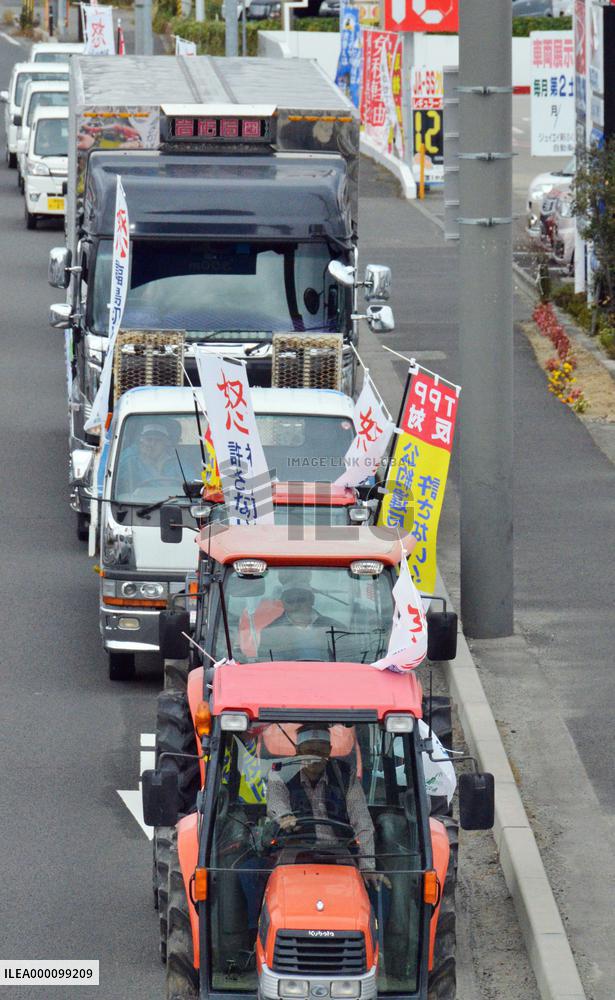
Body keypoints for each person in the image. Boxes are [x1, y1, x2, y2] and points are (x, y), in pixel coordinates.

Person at [258, 586, 343, 660]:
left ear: (312, 600)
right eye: (290, 601)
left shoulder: (336, 628)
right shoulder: (269, 633)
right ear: (283, 603)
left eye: (301, 600)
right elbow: (267, 666)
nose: (296, 605)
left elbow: (346, 659)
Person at [115, 422, 179, 499]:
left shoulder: (177, 462)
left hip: (174, 503)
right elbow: (119, 483)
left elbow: (189, 485)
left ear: (165, 443)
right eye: (149, 439)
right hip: (138, 504)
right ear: (141, 442)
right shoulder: (131, 460)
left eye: (158, 440)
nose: (152, 444)